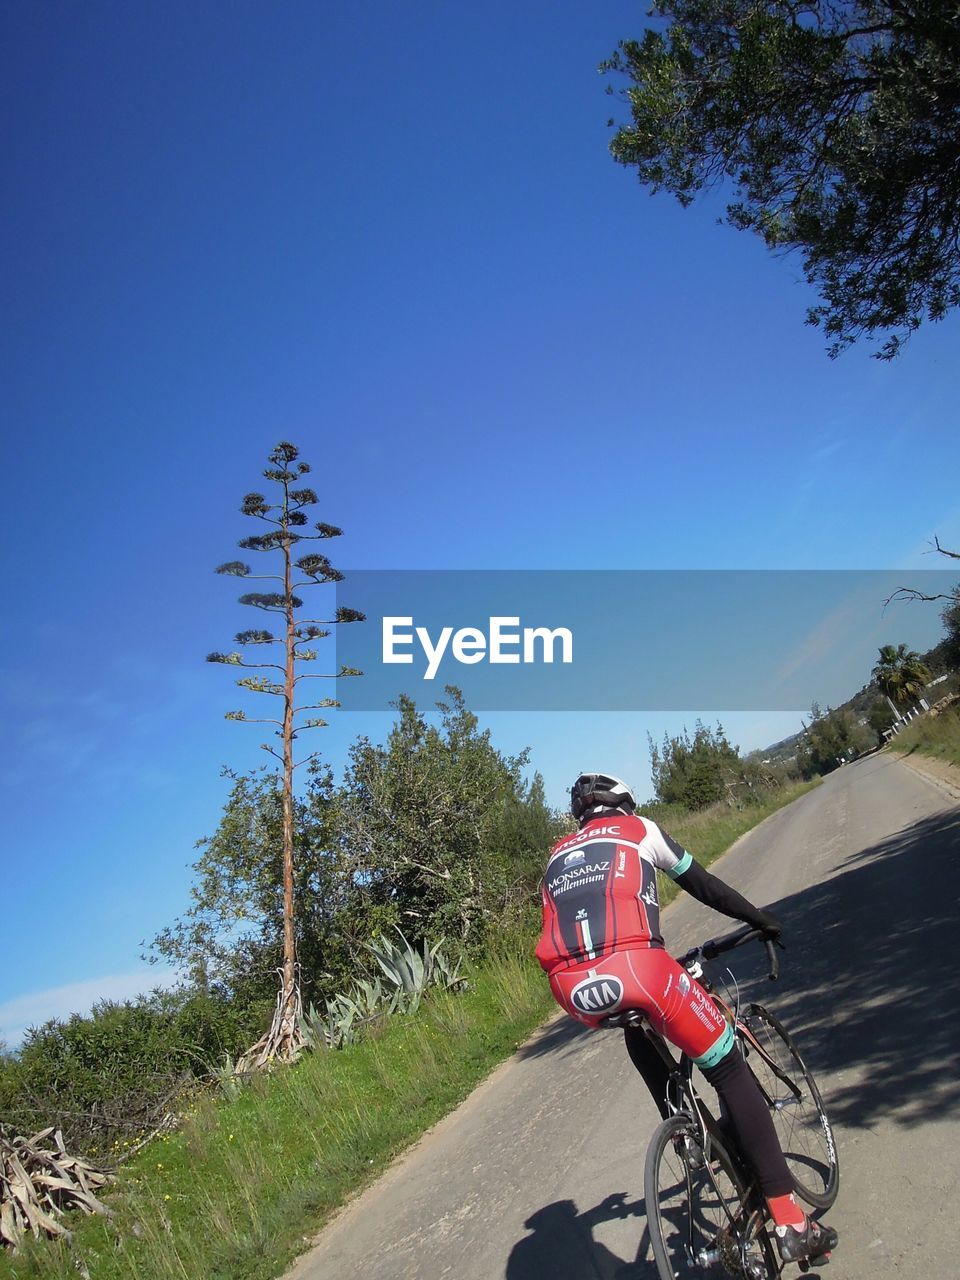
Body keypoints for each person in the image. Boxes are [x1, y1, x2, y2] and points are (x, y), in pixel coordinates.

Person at [535, 772, 838, 1266]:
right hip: (642, 971)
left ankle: (686, 1132)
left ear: (581, 813)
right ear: (624, 803)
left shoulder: (556, 854)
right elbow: (704, 885)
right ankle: (790, 1221)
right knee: (729, 1065)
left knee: (638, 1024)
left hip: (572, 992)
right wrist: (760, 919)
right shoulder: (639, 830)